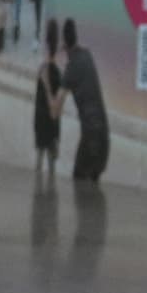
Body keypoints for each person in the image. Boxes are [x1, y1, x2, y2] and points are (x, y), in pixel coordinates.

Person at [58, 15, 110, 183]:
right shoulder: (87, 55)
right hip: (104, 135)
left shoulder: (71, 70)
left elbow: (56, 107)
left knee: (78, 182)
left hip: (90, 136)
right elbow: (78, 48)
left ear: (64, 43)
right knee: (93, 188)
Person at [32, 26, 65, 176]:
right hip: (52, 123)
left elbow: (39, 102)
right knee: (51, 168)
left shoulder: (42, 70)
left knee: (39, 163)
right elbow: (58, 105)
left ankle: (37, 195)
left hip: (41, 120)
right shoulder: (58, 73)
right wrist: (57, 134)